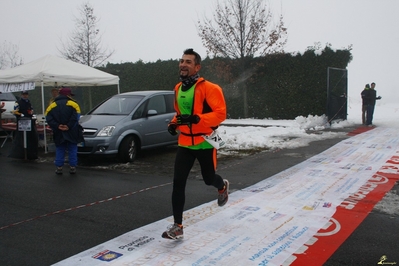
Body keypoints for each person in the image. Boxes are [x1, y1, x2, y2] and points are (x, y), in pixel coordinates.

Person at [161, 48, 229, 240]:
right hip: (185, 143)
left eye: (188, 62)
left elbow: (220, 114)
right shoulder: (177, 88)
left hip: (205, 141)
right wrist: (174, 124)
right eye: (182, 61)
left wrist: (197, 119)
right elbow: (180, 114)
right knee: (178, 183)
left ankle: (221, 186)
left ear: (197, 67)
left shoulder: (210, 88)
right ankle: (178, 226)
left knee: (209, 178)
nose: (183, 64)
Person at [45, 87, 83, 174]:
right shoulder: (74, 104)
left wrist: (58, 126)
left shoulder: (52, 105)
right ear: (68, 95)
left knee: (60, 148)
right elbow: (76, 117)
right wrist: (68, 126)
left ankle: (59, 167)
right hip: (72, 130)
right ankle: (72, 167)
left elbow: (48, 118)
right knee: (72, 148)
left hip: (59, 131)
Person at [9, 90, 38, 159]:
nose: (25, 96)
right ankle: (20, 152)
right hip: (21, 122)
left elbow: (31, 109)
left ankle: (30, 152)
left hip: (29, 121)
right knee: (21, 137)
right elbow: (14, 111)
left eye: (26, 94)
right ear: (21, 95)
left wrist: (31, 112)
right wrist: (20, 114)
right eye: (24, 94)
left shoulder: (29, 102)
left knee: (30, 137)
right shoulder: (18, 102)